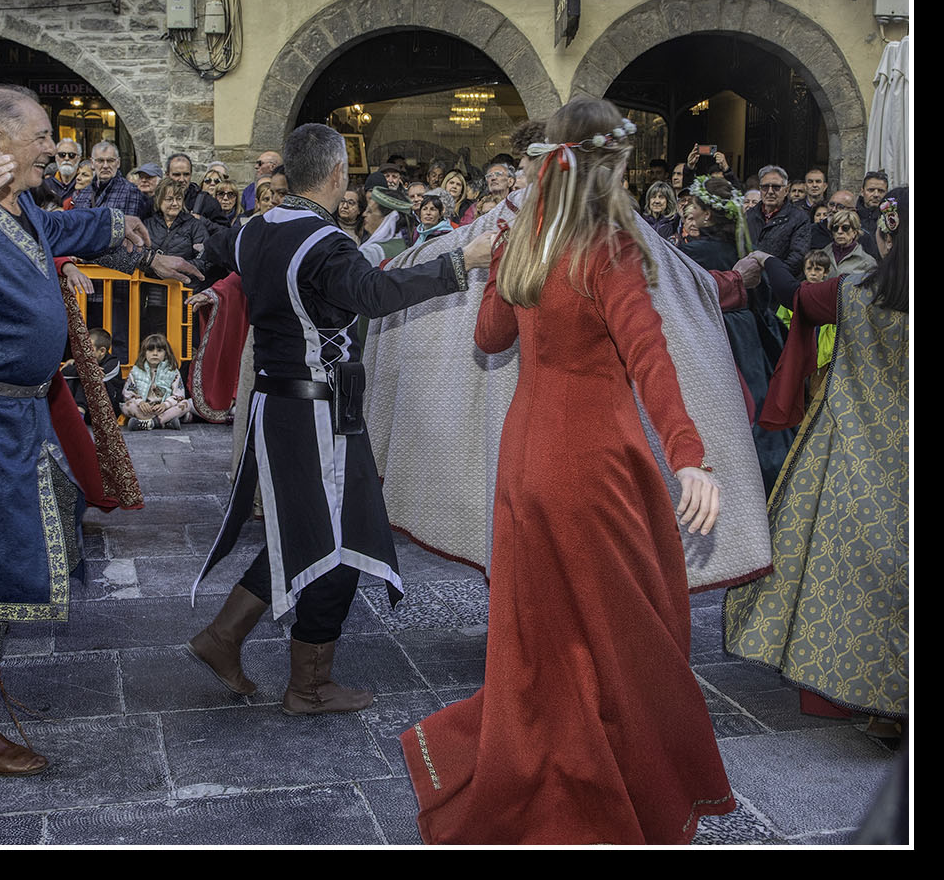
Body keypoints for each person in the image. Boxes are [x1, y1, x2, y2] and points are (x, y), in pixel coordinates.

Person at [399, 99, 733, 844]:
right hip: (592, 464)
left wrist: (501, 262)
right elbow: (649, 356)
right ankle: (596, 790)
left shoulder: (523, 240)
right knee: (622, 636)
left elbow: (490, 338)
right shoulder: (606, 249)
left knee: (541, 632)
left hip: (525, 459)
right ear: (607, 168)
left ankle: (541, 770)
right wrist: (689, 456)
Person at [186, 124, 490, 715]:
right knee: (343, 537)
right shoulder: (325, 240)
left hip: (276, 404)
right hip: (316, 411)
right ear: (336, 174)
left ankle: (225, 637)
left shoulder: (255, 229)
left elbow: (226, 256)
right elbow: (374, 294)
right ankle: (306, 684)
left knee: (309, 529)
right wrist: (461, 262)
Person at [0, 84, 151, 775]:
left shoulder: (18, 201)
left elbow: (55, 232)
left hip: (15, 413)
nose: (52, 149)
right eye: (41, 137)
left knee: (21, 540)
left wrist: (117, 227)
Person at [724, 189, 908, 739]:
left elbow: (795, 295)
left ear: (886, 238)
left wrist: (764, 258)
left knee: (855, 576)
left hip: (857, 452)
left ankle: (880, 705)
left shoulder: (855, 292)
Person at [682, 177, 792, 491]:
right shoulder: (743, 249)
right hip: (747, 337)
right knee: (755, 406)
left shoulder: (692, 253)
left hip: (716, 336)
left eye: (694, 205)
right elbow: (763, 296)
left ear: (707, 215)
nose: (688, 210)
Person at [121, 332, 192, 430]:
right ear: (144, 353)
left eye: (159, 350)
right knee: (127, 406)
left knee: (186, 404)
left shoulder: (172, 371)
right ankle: (166, 422)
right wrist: (140, 403)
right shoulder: (136, 371)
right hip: (145, 409)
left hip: (164, 409)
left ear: (166, 354)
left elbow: (179, 395)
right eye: (150, 350)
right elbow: (128, 394)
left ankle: (151, 423)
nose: (155, 353)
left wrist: (165, 405)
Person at [825, 208, 877, 275]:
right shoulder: (822, 254)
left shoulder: (868, 262)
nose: (839, 232)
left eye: (845, 228)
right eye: (835, 228)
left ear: (855, 232)